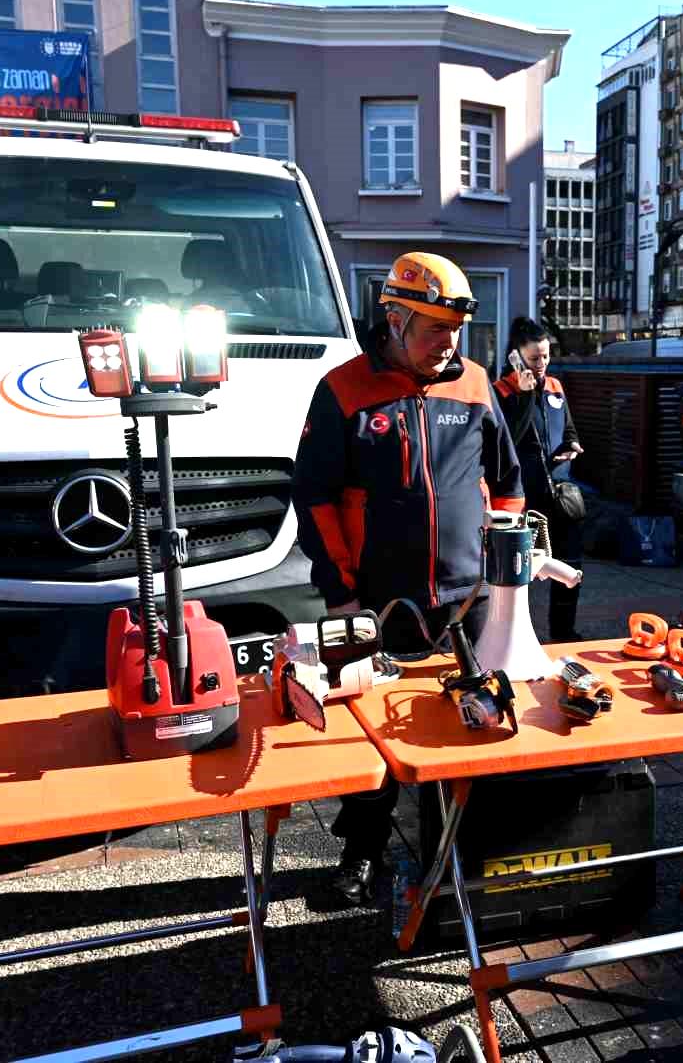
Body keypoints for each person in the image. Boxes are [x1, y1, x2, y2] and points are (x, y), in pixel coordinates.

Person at [292, 251, 524, 905]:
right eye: (432, 330)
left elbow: (507, 483)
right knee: (365, 732)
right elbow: (312, 497)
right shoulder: (343, 389)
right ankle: (361, 853)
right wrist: (339, 593)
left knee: (474, 725)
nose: (446, 345)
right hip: (368, 596)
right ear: (393, 320)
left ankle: (463, 853)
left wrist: (504, 571)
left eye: (455, 331)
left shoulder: (475, 384)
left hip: (468, 599)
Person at [493, 318, 586, 640]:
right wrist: (525, 394)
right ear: (516, 356)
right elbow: (509, 439)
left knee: (568, 567)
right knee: (521, 572)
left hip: (559, 491)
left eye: (546, 356)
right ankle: (518, 636)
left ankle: (564, 631)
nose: (542, 364)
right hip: (524, 496)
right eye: (534, 358)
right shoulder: (502, 392)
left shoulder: (556, 387)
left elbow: (568, 429)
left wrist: (571, 446)